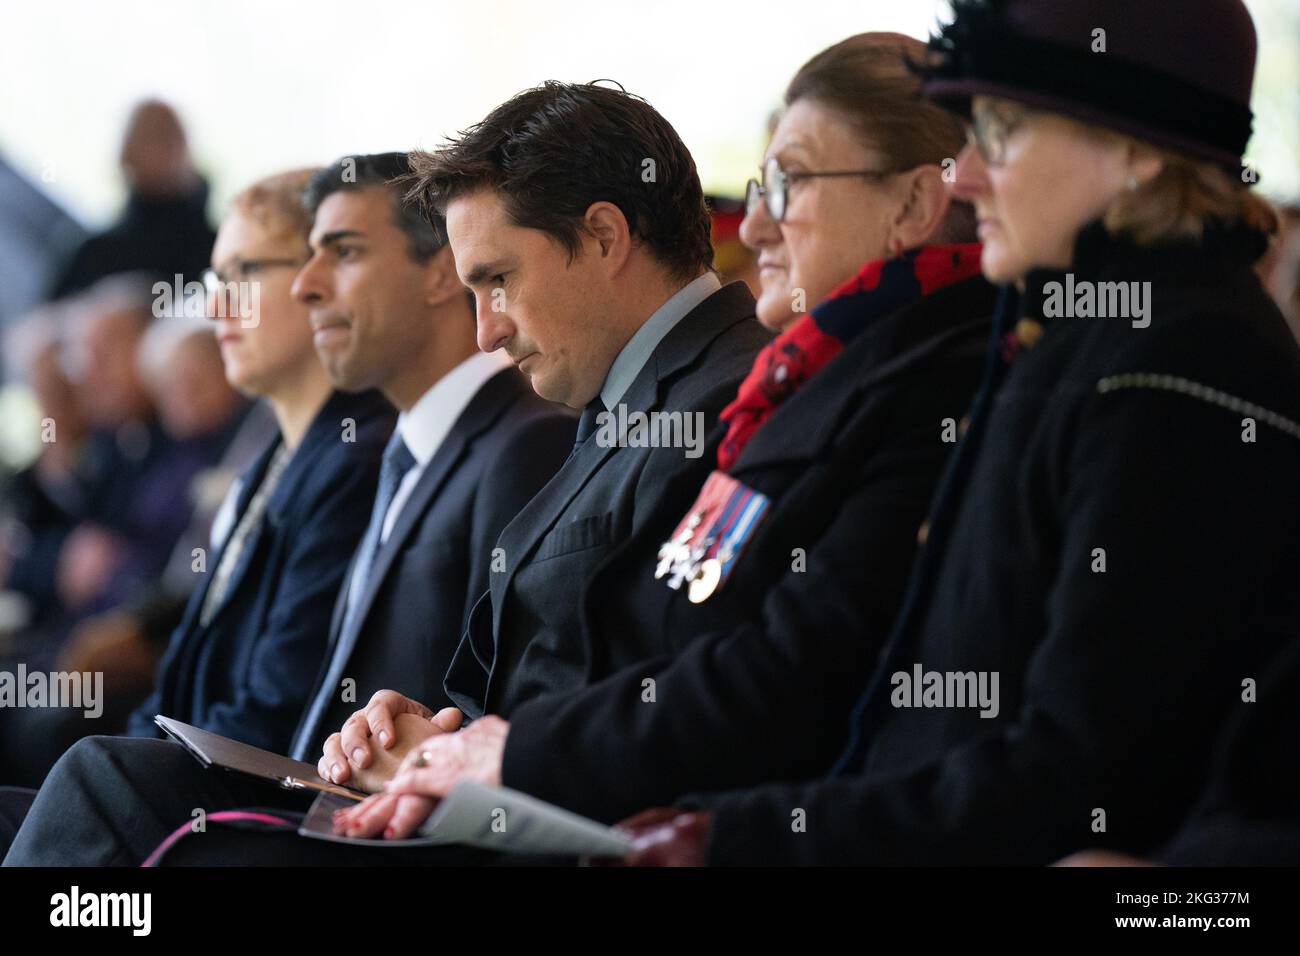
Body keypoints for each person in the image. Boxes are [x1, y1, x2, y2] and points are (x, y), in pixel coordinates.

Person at [614, 0, 1300, 866]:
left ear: (1137, 152)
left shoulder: (1179, 359)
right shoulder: (1080, 333)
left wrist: (740, 836)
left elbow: (1080, 775)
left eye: (1002, 134)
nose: (966, 179)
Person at [328, 33, 997, 840]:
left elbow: (752, 682)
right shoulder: (760, 387)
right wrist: (441, 737)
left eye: (789, 183)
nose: (753, 226)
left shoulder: (760, 394)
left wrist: (481, 758)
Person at [1, 151, 577, 865]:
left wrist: (420, 742)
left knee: (97, 773)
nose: (310, 287)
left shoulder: (499, 445)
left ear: (438, 271)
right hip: (310, 790)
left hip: (365, 822)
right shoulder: (391, 452)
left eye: (341, 254)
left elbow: (517, 702)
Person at [51, 100, 216, 299]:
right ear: (127, 154)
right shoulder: (95, 255)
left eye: (168, 137)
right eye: (152, 137)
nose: (163, 149)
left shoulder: (220, 255)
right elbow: (45, 323)